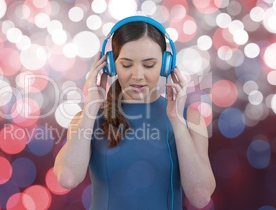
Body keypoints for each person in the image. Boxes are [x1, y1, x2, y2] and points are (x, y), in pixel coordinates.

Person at [54, 16, 215, 210]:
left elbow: (200, 197)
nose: (137, 75)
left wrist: (177, 121)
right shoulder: (89, 118)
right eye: (126, 64)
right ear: (111, 65)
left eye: (149, 65)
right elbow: (67, 178)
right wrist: (91, 107)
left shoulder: (190, 119)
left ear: (166, 65)